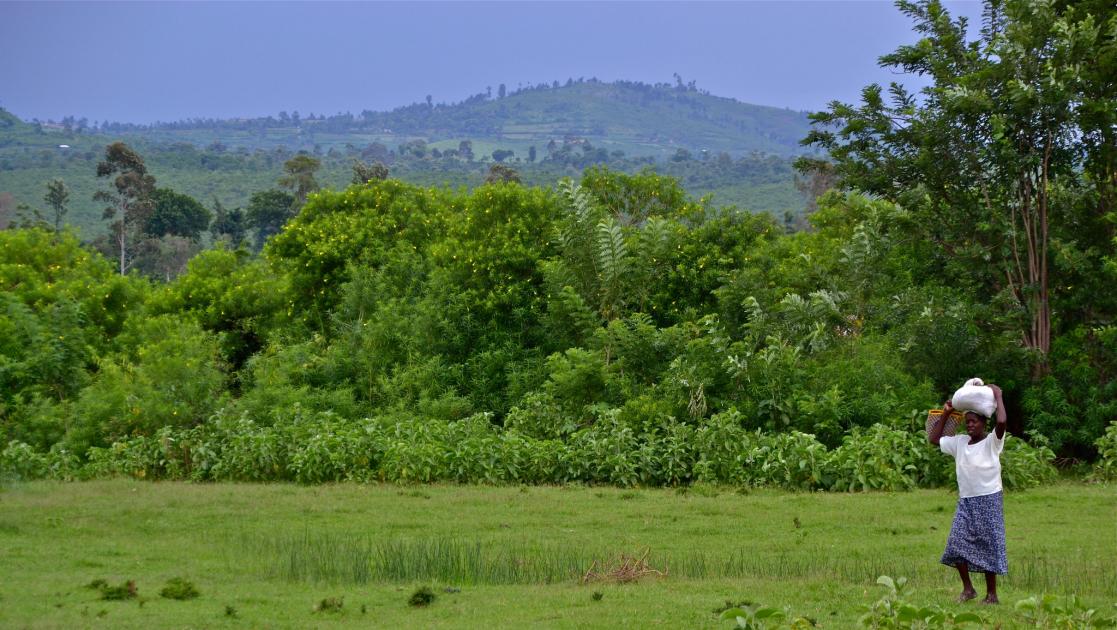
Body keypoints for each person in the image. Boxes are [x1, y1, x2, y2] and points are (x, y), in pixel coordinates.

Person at [927, 383, 1008, 604]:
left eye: (974, 422)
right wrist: (946, 412)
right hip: (966, 502)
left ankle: (992, 595)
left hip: (990, 499)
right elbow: (934, 439)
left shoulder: (993, 442)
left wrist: (998, 395)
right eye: (967, 422)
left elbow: (1001, 421)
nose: (970, 426)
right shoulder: (960, 443)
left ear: (983, 423)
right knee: (955, 544)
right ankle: (968, 589)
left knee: (989, 544)